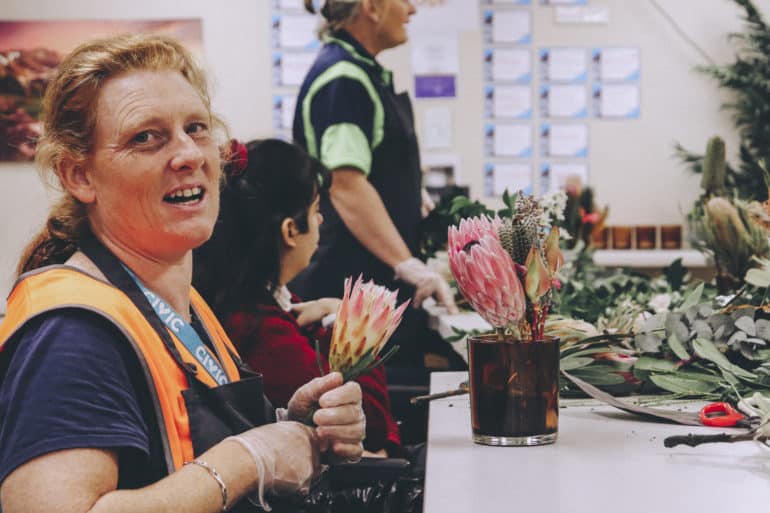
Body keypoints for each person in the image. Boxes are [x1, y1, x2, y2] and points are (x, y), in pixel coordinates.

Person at [0, 34, 365, 513]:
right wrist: (247, 459)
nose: (189, 154)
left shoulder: (176, 301)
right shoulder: (71, 335)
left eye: (196, 128)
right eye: (145, 137)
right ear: (79, 176)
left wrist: (289, 429)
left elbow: (171, 453)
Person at [194, 138, 402, 458]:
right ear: (290, 231)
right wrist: (349, 326)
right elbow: (370, 421)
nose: (320, 221)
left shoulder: (263, 303)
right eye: (316, 210)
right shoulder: (260, 329)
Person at [291, 0, 460, 367]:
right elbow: (345, 183)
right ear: (371, 6)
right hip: (346, 286)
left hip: (371, 287)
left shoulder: (361, 73)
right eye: (405, 0)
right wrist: (409, 265)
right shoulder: (343, 79)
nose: (412, 10)